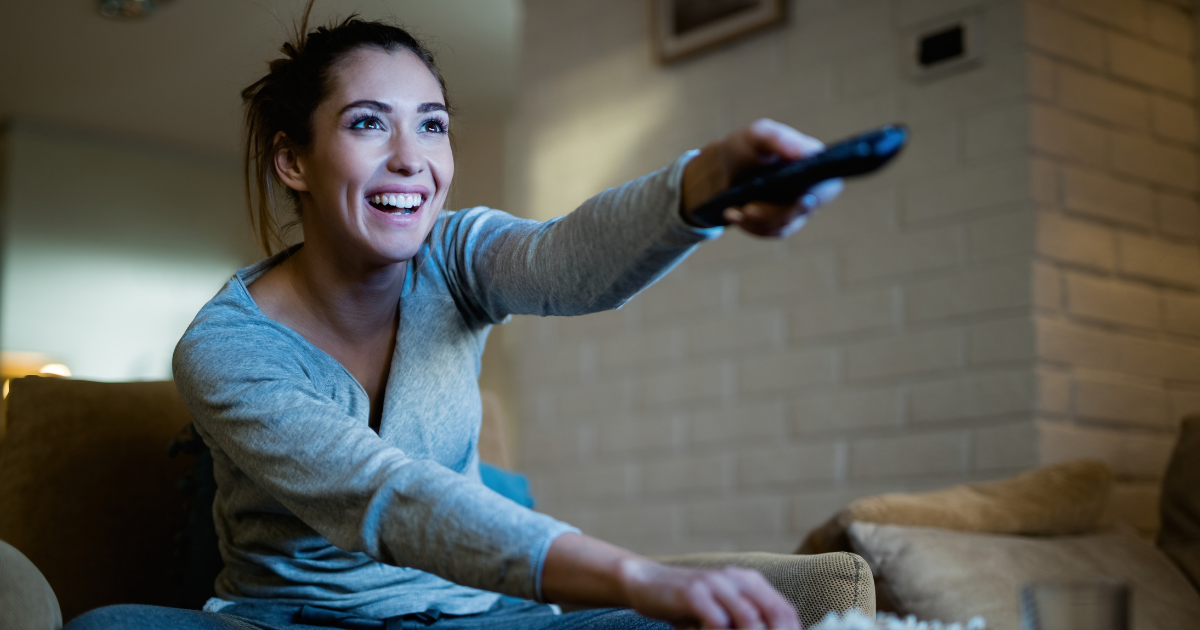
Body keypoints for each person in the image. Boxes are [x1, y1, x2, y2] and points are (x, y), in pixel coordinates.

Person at [66, 7, 840, 630]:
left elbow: (568, 262)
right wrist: (635, 574)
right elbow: (386, 497)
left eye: (431, 124)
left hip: (479, 615)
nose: (413, 158)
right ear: (293, 161)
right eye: (369, 123)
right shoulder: (226, 348)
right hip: (292, 621)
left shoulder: (456, 253)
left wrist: (703, 185)